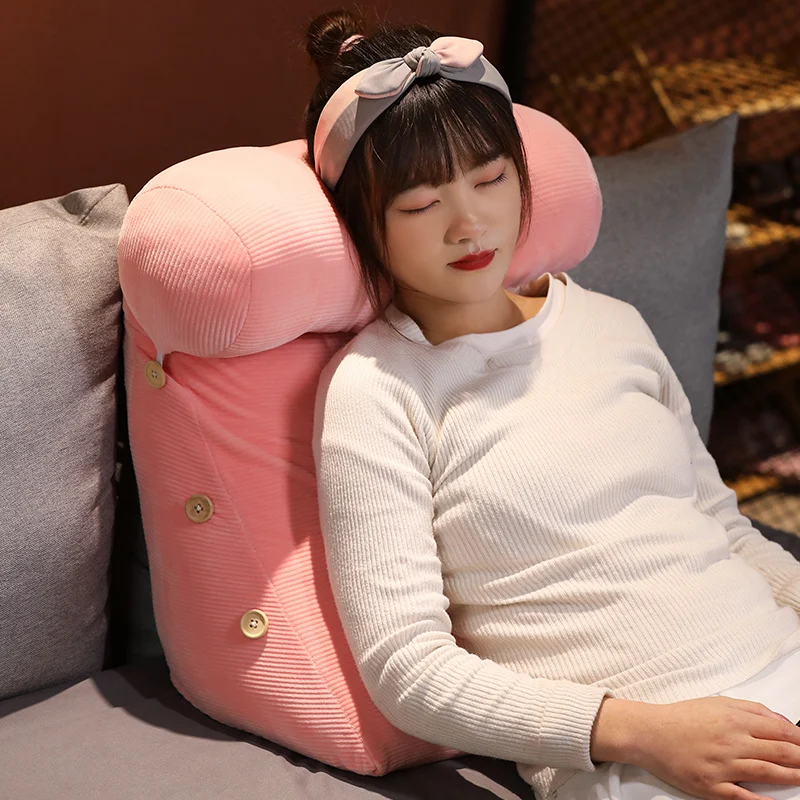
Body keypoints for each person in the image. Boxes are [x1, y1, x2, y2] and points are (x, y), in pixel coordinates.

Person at [305, 9, 800, 800]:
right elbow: (407, 667)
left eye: (490, 179)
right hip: (643, 751)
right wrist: (638, 732)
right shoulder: (377, 390)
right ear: (365, 224)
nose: (470, 224)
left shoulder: (612, 323)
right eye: (421, 204)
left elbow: (724, 527)